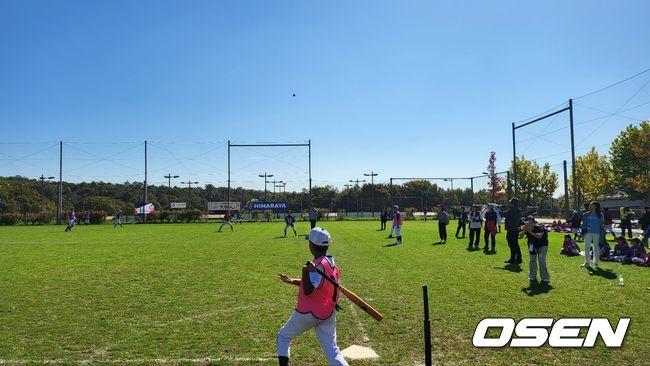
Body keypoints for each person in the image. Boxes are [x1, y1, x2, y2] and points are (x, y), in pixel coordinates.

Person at [276, 227, 348, 366]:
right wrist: (291, 280)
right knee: (333, 351)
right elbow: (317, 284)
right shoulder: (331, 263)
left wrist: (304, 272)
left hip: (309, 312)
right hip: (328, 312)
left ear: (312, 246)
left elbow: (308, 290)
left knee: (283, 336)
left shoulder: (318, 266)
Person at [520, 216, 550, 285]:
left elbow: (539, 236)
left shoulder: (540, 228)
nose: (530, 224)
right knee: (532, 260)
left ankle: (545, 277)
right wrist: (524, 230)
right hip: (532, 246)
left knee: (541, 259)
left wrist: (529, 231)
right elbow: (520, 237)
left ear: (535, 223)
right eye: (528, 223)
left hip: (542, 245)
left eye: (531, 223)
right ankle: (532, 276)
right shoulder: (527, 229)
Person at [581, 201, 604, 269]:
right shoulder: (585, 214)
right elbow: (583, 225)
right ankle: (587, 262)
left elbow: (602, 225)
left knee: (596, 248)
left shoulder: (600, 215)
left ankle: (596, 263)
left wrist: (602, 234)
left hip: (597, 233)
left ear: (595, 206)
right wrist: (583, 233)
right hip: (587, 233)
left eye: (591, 205)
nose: (589, 206)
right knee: (586, 247)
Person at [503, 198, 523, 264]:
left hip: (512, 229)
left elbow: (503, 214)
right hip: (515, 229)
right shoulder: (517, 210)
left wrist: (496, 209)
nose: (509, 204)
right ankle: (517, 258)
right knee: (514, 244)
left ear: (513, 204)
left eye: (511, 203)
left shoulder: (512, 211)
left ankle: (514, 258)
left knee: (512, 244)